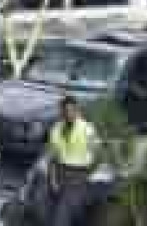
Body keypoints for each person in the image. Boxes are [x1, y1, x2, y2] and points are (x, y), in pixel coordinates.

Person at [47, 96, 98, 226]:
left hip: (79, 174)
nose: (68, 114)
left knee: (63, 212)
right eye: (65, 111)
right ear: (61, 112)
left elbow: (96, 153)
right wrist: (53, 180)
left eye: (71, 110)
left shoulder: (87, 129)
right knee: (69, 209)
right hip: (60, 172)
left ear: (77, 110)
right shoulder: (56, 129)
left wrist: (87, 175)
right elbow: (52, 157)